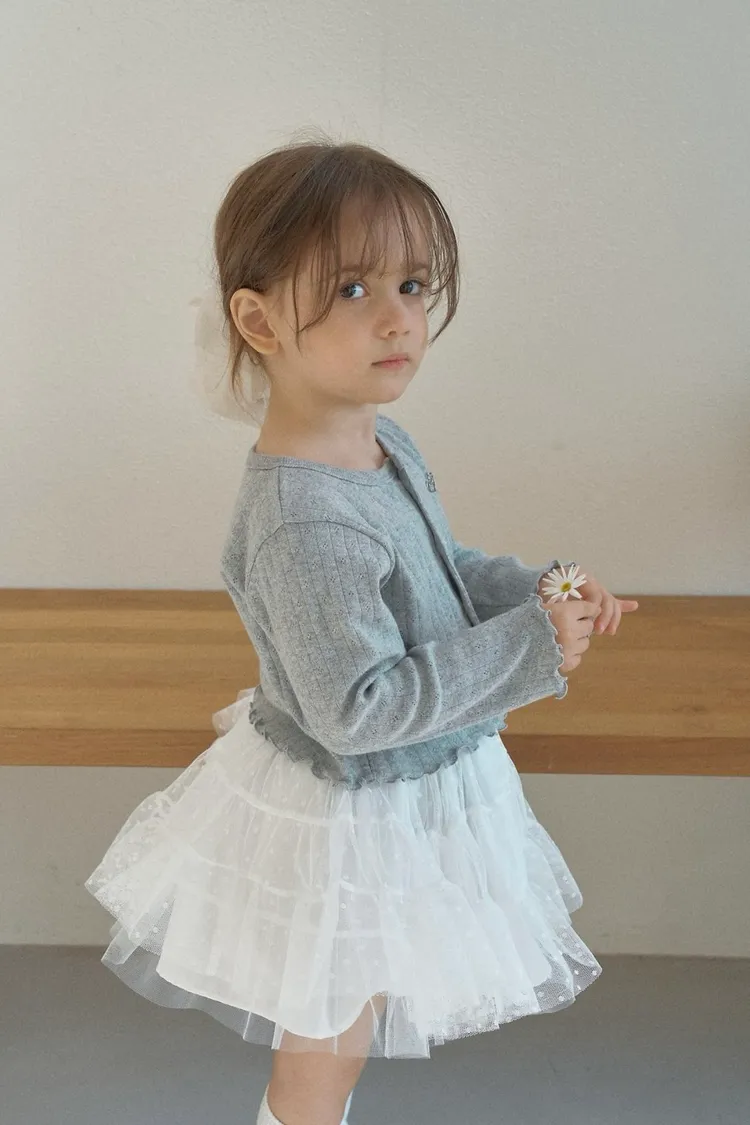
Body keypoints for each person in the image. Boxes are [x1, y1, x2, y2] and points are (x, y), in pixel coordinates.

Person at [85, 138, 639, 1125]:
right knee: (328, 1033)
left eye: (413, 284)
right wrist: (534, 645)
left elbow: (435, 569)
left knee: (354, 1004)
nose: (399, 318)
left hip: (404, 784)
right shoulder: (304, 520)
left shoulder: (377, 441)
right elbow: (357, 707)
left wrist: (538, 587)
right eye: (350, 289)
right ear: (258, 320)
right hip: (353, 809)